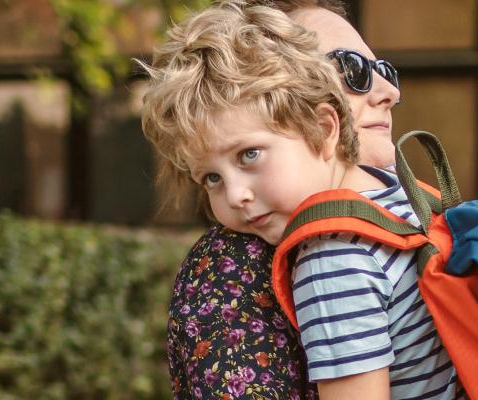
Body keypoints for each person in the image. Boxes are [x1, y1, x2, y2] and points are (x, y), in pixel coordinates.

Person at [147, 2, 452, 399]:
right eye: (212, 178)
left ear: (323, 127)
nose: (236, 195)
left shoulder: (330, 257)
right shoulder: (405, 201)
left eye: (249, 155)